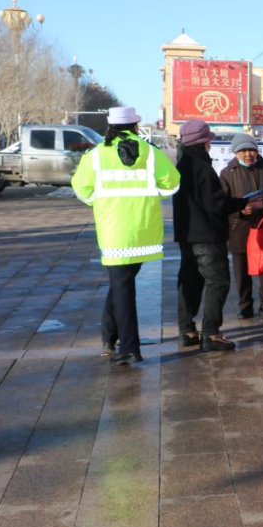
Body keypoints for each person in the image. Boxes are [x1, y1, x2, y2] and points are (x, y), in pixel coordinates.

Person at [71, 106, 180, 365]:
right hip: (143, 230)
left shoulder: (96, 155)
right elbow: (172, 184)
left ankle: (130, 347)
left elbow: (80, 187)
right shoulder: (151, 153)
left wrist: (98, 201)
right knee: (121, 284)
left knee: (122, 286)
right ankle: (109, 336)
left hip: (113, 231)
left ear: (110, 126)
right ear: (134, 126)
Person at [173, 120, 258, 352]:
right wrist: (240, 202)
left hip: (186, 235)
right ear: (204, 142)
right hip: (207, 236)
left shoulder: (181, 165)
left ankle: (187, 330)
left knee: (190, 282)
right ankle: (211, 333)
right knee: (217, 282)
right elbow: (215, 204)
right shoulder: (202, 167)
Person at [219, 134, 263, 319]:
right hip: (240, 228)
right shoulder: (228, 173)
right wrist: (239, 211)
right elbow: (223, 202)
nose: (248, 154)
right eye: (243, 151)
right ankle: (245, 305)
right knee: (241, 270)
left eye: (251, 150)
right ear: (235, 153)